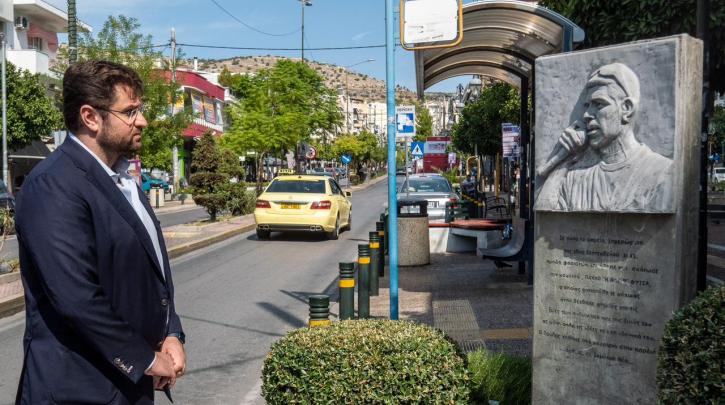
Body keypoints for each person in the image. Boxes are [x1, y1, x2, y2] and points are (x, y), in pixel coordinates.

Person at [15, 60, 185, 404]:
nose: (142, 121)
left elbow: (147, 277)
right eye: (130, 111)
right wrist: (145, 359)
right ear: (90, 117)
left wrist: (171, 333)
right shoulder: (53, 185)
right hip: (78, 391)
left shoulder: (124, 181)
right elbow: (76, 297)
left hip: (130, 386)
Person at [536, 63, 673, 212]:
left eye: (599, 104)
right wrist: (566, 159)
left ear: (626, 109)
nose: (587, 115)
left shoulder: (661, 172)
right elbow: (545, 213)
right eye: (587, 105)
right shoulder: (576, 176)